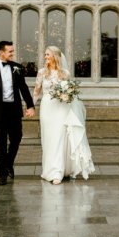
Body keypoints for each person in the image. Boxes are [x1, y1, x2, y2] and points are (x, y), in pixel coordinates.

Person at [33, 46, 95, 184]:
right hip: (47, 108)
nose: (45, 57)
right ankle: (49, 170)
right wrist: (31, 106)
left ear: (55, 56)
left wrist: (67, 95)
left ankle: (58, 172)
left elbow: (69, 91)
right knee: (48, 139)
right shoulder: (42, 72)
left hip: (61, 108)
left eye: (48, 54)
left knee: (59, 138)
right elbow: (37, 91)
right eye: (45, 55)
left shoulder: (64, 73)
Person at [0, 41, 35, 186]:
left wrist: (30, 106)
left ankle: (8, 163)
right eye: (10, 51)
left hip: (14, 110)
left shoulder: (17, 67)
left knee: (17, 138)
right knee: (1, 143)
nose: (12, 53)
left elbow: (23, 88)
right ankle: (2, 174)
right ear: (1, 52)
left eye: (12, 51)